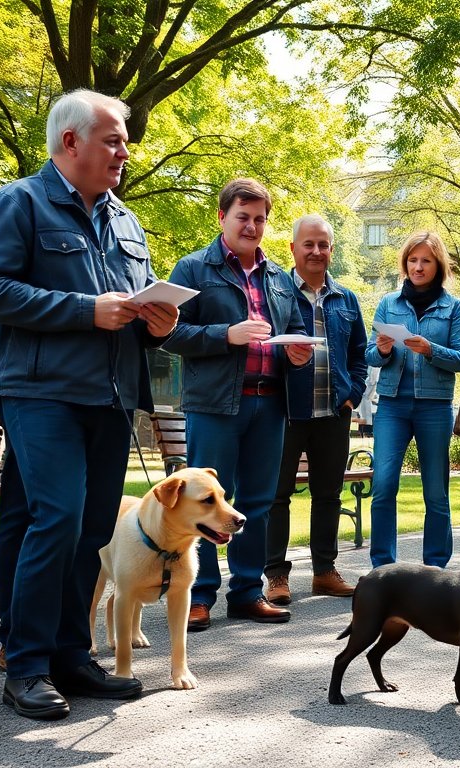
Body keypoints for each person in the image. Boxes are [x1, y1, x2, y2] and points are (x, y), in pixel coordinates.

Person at [0, 89, 179, 718]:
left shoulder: (125, 220)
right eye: (113, 138)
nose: (125, 150)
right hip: (39, 393)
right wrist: (86, 311)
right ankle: (24, 665)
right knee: (54, 519)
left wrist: (155, 323)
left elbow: (132, 311)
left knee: (86, 530)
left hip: (110, 397)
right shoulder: (17, 203)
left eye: (125, 140)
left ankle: (69, 657)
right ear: (71, 143)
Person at [163, 178, 315, 631]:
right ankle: (199, 594)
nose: (252, 226)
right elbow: (166, 333)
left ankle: (247, 592)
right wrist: (223, 335)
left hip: (270, 403)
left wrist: (297, 355)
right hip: (215, 405)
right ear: (222, 217)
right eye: (243, 217)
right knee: (206, 503)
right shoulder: (192, 270)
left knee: (259, 501)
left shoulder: (280, 280)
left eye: (260, 219)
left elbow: (289, 337)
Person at [262, 215, 369, 606]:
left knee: (328, 495)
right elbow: (265, 348)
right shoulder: (277, 293)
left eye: (323, 245)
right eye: (308, 244)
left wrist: (352, 394)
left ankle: (324, 571)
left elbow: (359, 353)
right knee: (277, 496)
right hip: (287, 411)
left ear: (331, 250)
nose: (316, 251)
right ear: (293, 248)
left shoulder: (346, 299)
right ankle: (275, 576)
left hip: (333, 413)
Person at [366, 232, 460, 568]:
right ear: (405, 263)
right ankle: (383, 567)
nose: (418, 266)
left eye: (426, 260)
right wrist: (382, 350)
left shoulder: (452, 307)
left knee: (436, 493)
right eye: (413, 260)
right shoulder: (388, 304)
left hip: (435, 407)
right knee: (383, 486)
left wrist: (431, 350)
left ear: (438, 264)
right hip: (392, 405)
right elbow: (370, 354)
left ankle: (436, 568)